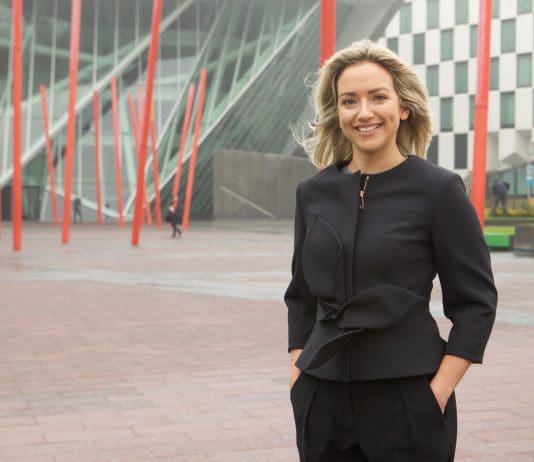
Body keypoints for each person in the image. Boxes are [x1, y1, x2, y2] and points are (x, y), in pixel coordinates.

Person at [285, 40, 497, 462]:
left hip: (408, 400)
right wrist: (298, 377)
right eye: (349, 101)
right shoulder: (312, 192)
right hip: (322, 397)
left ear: (403, 108)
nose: (364, 112)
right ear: (337, 113)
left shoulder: (439, 189)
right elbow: (301, 296)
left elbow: (476, 303)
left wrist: (437, 392)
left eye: (378, 97)